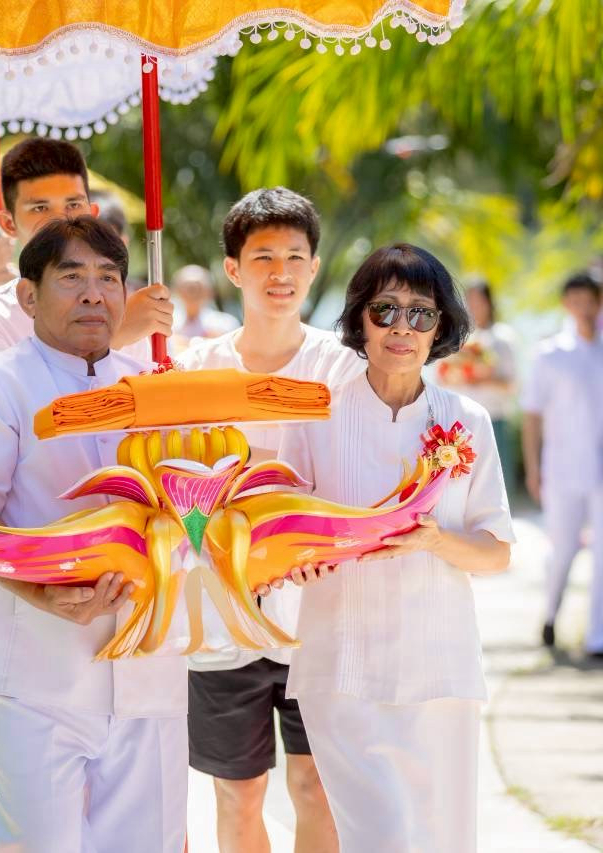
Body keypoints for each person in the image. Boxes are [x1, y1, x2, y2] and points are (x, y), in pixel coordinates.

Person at [0, 217, 187, 851]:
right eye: (71, 278)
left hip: (146, 666)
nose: (94, 294)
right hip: (36, 674)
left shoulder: (158, 388)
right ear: (27, 296)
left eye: (108, 278)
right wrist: (43, 595)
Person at [277, 244, 514, 852]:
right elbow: (280, 529)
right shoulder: (314, 414)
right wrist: (298, 560)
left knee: (442, 840)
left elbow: (495, 551)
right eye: (385, 310)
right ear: (359, 318)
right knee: (380, 837)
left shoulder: (466, 420)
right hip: (340, 666)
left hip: (439, 665)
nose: (402, 328)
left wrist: (435, 540)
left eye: (421, 314)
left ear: (442, 328)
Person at [175, 187, 356, 853]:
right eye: (262, 257)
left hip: (320, 616)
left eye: (293, 257)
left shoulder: (344, 368)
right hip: (222, 616)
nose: (279, 273)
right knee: (237, 791)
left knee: (317, 785)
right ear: (233, 269)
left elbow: (354, 485)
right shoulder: (194, 370)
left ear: (313, 268)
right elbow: (177, 489)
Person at [0, 137, 173, 372]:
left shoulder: (121, 308)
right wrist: (114, 336)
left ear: (92, 213)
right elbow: (19, 404)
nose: (61, 220)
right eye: (40, 208)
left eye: (73, 205)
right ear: (8, 224)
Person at [522, 273, 603, 660]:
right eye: (573, 298)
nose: (582, 306)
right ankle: (551, 612)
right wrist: (532, 467)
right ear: (566, 304)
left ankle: (599, 638)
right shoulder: (550, 354)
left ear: (599, 302)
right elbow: (532, 416)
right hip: (562, 467)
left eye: (588, 298)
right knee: (563, 550)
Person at [435, 277, 520, 495]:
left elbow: (511, 384)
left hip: (494, 417)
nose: (473, 305)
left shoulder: (502, 337)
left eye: (478, 299)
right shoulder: (457, 338)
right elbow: (440, 379)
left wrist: (481, 378)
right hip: (460, 421)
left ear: (489, 302)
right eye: (468, 299)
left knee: (496, 485)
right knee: (462, 485)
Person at [172, 264, 239, 345]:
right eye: (188, 288)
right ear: (177, 291)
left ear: (210, 292)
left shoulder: (225, 324)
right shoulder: (169, 323)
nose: (192, 293)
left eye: (198, 287)